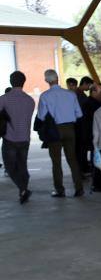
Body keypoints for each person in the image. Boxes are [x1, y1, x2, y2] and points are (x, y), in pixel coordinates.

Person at [37, 69, 84, 197]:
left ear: (46, 80)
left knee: (56, 162)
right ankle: (79, 188)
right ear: (57, 78)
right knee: (72, 159)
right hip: (70, 128)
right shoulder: (71, 94)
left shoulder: (45, 96)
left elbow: (41, 116)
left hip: (54, 130)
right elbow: (79, 114)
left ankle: (59, 190)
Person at [0, 71, 35, 204]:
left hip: (10, 138)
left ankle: (23, 188)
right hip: (25, 138)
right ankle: (23, 191)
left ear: (11, 82)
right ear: (23, 82)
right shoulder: (30, 100)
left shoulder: (4, 99)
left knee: (10, 167)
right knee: (22, 166)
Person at [75, 76, 93, 174]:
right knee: (82, 148)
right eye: (89, 85)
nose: (89, 88)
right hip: (81, 125)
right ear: (85, 83)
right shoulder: (79, 95)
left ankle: (83, 167)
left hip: (80, 125)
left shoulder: (79, 94)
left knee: (82, 148)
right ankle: (83, 168)